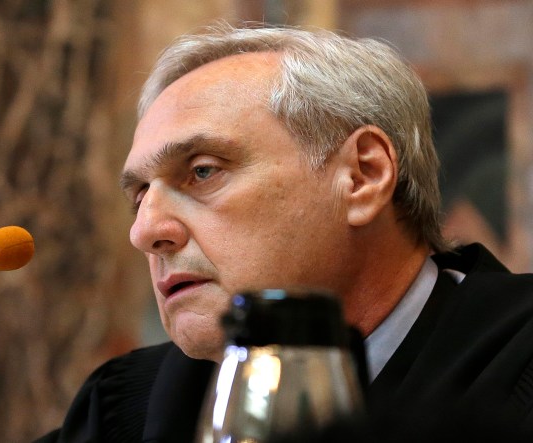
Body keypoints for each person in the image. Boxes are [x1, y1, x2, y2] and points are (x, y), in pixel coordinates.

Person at [35, 23, 533, 442]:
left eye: (203, 171)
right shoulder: (124, 409)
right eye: (140, 195)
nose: (145, 232)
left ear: (362, 176)